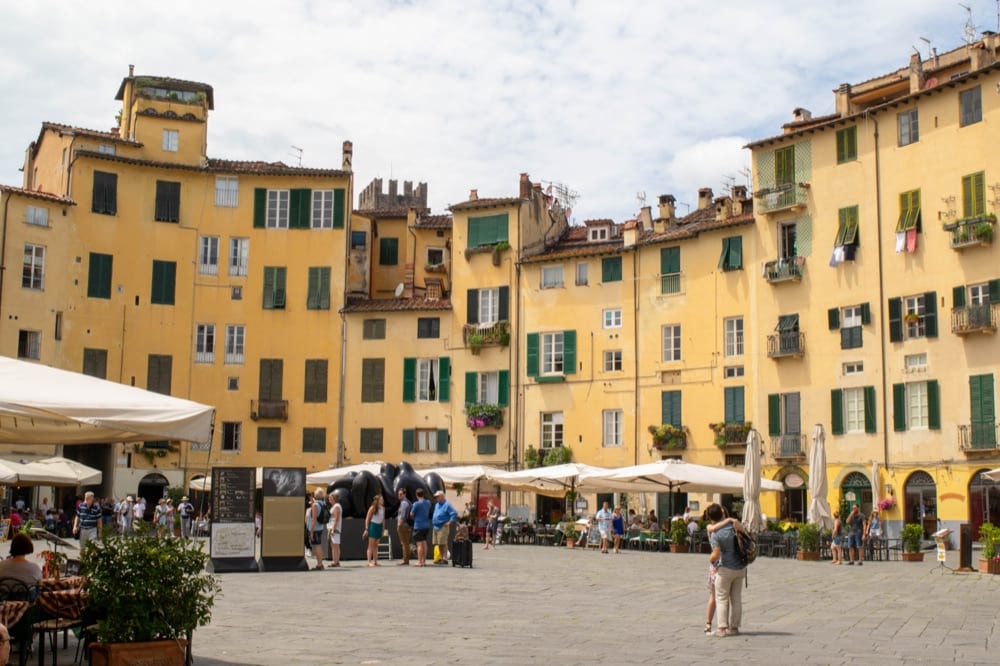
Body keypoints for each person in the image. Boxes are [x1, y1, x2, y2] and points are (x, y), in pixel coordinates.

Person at [707, 502, 747, 637]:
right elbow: (745, 533)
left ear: (709, 517)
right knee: (736, 598)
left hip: (725, 568)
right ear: (722, 513)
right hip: (740, 567)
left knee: (722, 597)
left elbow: (716, 553)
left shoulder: (716, 533)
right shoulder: (733, 526)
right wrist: (731, 519)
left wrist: (710, 559)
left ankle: (722, 628)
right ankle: (734, 627)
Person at [431, 490, 458, 564]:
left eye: (437, 497)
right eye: (435, 497)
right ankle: (440, 557)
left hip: (443, 526)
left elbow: (454, 513)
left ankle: (445, 558)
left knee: (443, 543)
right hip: (436, 526)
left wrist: (449, 522)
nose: (436, 498)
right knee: (439, 543)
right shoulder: (437, 504)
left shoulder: (447, 504)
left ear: (442, 497)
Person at [410, 489, 432, 566]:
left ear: (416, 495)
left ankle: (419, 561)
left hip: (418, 525)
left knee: (419, 544)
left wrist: (414, 517)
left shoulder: (416, 504)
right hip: (426, 525)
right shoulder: (428, 503)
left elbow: (411, 514)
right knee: (424, 543)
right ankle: (424, 561)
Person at [306, 490, 327, 570]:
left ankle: (320, 564)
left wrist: (311, 531)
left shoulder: (315, 505)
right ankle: (320, 563)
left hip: (315, 528)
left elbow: (314, 519)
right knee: (318, 545)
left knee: (317, 546)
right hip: (320, 527)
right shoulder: (322, 503)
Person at [364, 494, 385, 567]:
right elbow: (367, 518)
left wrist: (383, 529)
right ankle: (369, 562)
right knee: (371, 545)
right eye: (381, 499)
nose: (383, 501)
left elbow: (383, 519)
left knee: (376, 545)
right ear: (378, 500)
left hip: (379, 526)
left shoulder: (383, 508)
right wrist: (366, 528)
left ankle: (375, 561)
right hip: (373, 526)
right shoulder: (372, 508)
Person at [396, 489, 412, 566]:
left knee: (404, 543)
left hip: (403, 526)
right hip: (406, 525)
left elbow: (402, 515)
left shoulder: (404, 503)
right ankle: (406, 559)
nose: (399, 495)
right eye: (399, 494)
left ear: (405, 494)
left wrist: (399, 524)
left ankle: (405, 560)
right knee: (406, 543)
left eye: (401, 494)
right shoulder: (406, 502)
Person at [328, 494, 342, 568]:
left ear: (334, 498)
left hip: (335, 528)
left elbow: (336, 519)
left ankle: (336, 562)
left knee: (335, 545)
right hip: (333, 527)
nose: (329, 499)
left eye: (330, 498)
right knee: (333, 545)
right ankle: (335, 561)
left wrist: (333, 529)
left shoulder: (337, 506)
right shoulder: (335, 506)